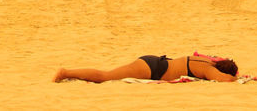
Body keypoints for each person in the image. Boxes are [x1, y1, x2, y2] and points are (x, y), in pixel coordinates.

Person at [54, 55, 239, 83]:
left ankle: (67, 72)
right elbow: (226, 81)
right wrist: (237, 77)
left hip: (155, 62)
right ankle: (66, 72)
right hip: (153, 70)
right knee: (105, 76)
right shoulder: (209, 71)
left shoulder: (205, 60)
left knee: (107, 75)